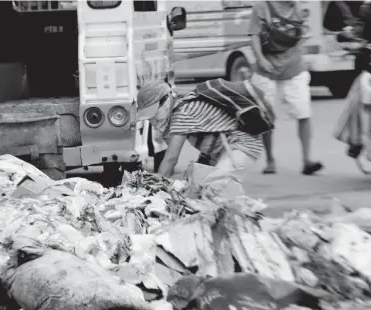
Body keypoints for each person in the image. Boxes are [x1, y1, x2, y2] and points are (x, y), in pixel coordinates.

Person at [136, 80, 274, 190]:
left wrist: (155, 188)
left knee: (214, 191)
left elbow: (171, 159)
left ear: (165, 101)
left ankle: (248, 219)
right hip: (226, 150)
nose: (152, 120)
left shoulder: (182, 114)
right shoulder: (182, 106)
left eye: (153, 114)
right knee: (199, 190)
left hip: (242, 146)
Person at [249, 1, 324, 175]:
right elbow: (253, 36)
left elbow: (304, 34)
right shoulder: (262, 8)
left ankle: (307, 160)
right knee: (266, 117)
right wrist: (261, 59)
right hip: (267, 69)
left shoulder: (300, 8)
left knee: (304, 113)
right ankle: (270, 160)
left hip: (294, 68)